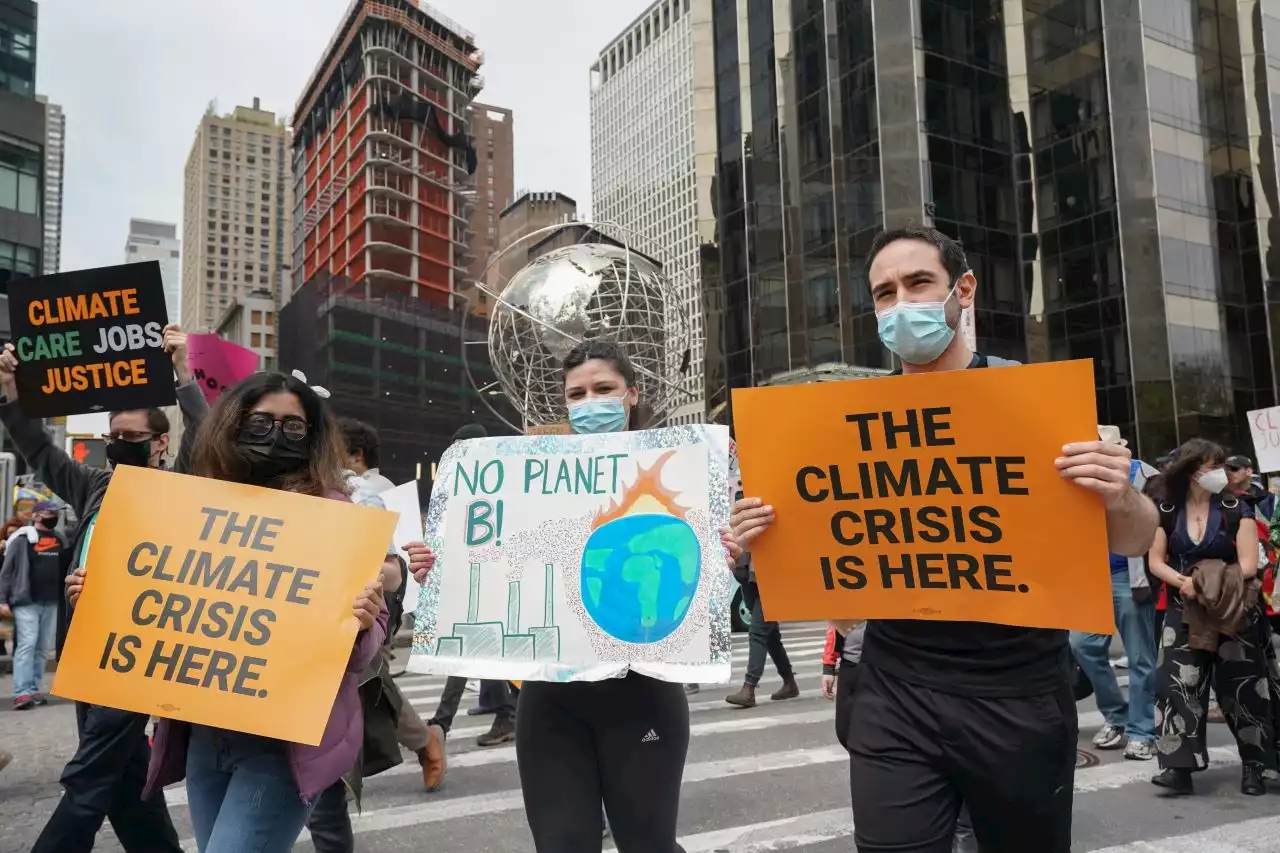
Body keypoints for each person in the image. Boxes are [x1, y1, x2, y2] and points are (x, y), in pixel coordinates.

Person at [732, 226, 1158, 853]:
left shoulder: (1036, 400)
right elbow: (841, 598)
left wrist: (1118, 491)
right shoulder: (842, 427)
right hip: (894, 687)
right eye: (883, 293)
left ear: (963, 290)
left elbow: (1135, 535)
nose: (900, 303)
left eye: (918, 283)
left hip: (1018, 693)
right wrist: (761, 542)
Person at [410, 340, 740, 852]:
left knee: (648, 844)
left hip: (643, 693)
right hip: (550, 702)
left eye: (604, 389)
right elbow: (497, 565)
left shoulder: (681, 475)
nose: (590, 402)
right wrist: (441, 572)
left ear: (631, 395)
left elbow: (696, 587)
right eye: (577, 393)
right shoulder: (530, 484)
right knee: (562, 843)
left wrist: (724, 557)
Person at [130, 371, 419, 853]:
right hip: (206, 734)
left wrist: (364, 620)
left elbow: (362, 651)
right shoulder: (195, 504)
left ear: (312, 437)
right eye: (262, 421)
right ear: (234, 424)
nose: (276, 433)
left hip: (282, 744)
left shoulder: (336, 514)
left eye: (293, 426)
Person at [0, 328, 202, 853]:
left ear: (159, 442)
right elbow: (40, 449)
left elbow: (204, 434)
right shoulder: (96, 484)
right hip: (86, 645)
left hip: (140, 647)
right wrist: (10, 394)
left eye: (131, 437)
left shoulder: (181, 486)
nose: (118, 445)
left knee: (91, 773)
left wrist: (182, 372)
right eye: (113, 436)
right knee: (126, 769)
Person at [1148, 439, 1276, 796]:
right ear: (1191, 472)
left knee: (1245, 687)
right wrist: (1184, 583)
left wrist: (1205, 585)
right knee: (1175, 685)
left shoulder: (1238, 508)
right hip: (1182, 609)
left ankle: (1256, 767)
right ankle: (1178, 768)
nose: (1218, 472)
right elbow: (1156, 560)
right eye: (1210, 466)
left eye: (1221, 465)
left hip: (1232, 608)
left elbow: (1249, 564)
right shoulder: (1167, 510)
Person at [423, 422, 519, 785]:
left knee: (472, 649)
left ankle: (442, 725)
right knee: (478, 648)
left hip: (495, 580)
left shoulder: (500, 481)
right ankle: (496, 715)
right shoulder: (465, 484)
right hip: (474, 579)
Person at [1069, 429, 1161, 760]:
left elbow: (1159, 518)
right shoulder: (1073, 471)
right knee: (1082, 646)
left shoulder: (1143, 472)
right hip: (1089, 577)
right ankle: (1117, 717)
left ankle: (1142, 730)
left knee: (1140, 657)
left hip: (1129, 575)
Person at [0, 500, 71, 709]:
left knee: (41, 648)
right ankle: (21, 692)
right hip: (26, 600)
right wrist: (2, 599)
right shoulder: (22, 539)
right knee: (27, 644)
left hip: (51, 601)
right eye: (51, 513)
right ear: (37, 516)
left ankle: (33, 689)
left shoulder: (59, 538)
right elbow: (7, 571)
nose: (54, 516)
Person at [724, 562, 798, 707]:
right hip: (748, 577)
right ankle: (789, 682)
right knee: (771, 637)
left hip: (770, 578)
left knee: (758, 632)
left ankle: (749, 688)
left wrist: (742, 539)